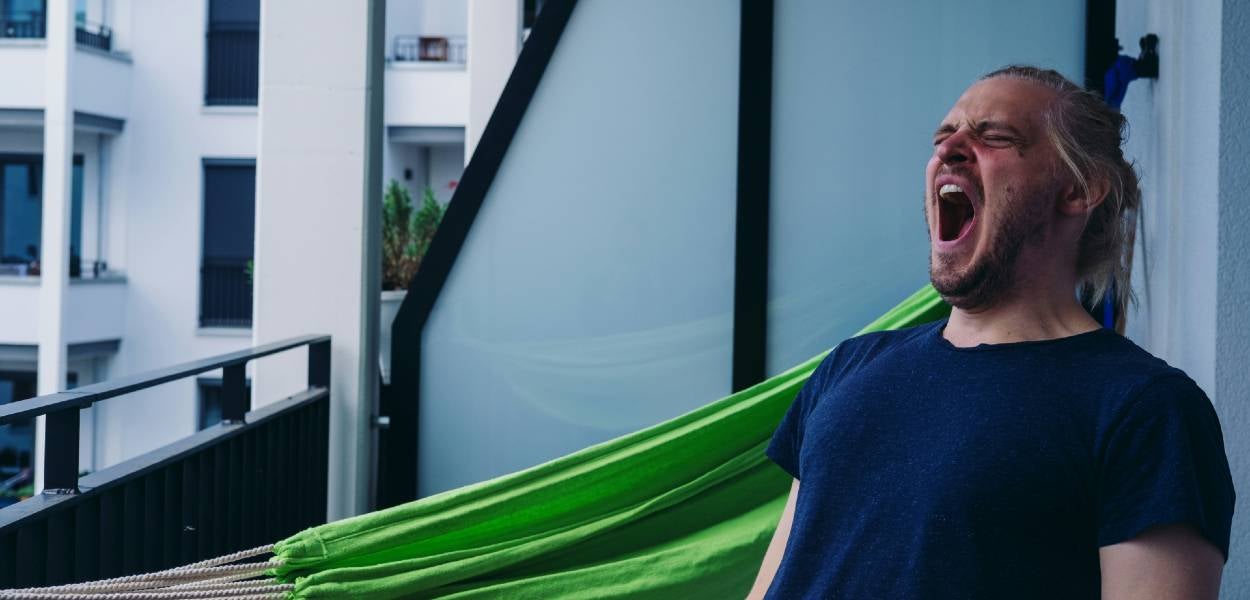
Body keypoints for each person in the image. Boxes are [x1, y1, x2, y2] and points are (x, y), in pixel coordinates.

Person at [747, 66, 1235, 599]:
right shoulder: (848, 367)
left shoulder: (1147, 409)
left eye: (994, 136)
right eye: (943, 137)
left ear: (1078, 189)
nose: (950, 149)